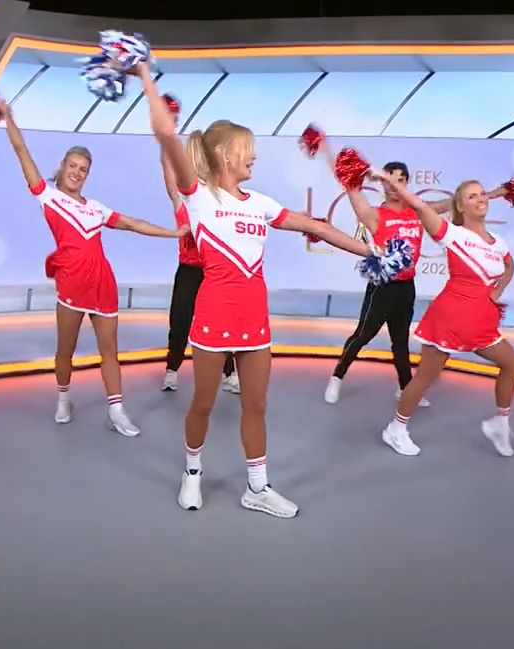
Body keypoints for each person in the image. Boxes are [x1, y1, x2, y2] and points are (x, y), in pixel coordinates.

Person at [137, 63, 377, 518]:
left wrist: (370, 252)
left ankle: (257, 488)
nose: (254, 158)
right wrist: (144, 71)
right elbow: (167, 135)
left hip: (254, 319)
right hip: (213, 314)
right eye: (247, 151)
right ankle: (192, 473)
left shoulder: (261, 203)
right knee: (203, 403)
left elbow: (315, 227)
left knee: (257, 404)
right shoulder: (198, 196)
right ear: (224, 154)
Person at [0, 97, 184, 434]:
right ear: (63, 167)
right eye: (73, 165)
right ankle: (63, 398)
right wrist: (8, 117)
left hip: (102, 284)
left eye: (83, 169)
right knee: (65, 349)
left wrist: (173, 233)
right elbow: (22, 151)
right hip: (71, 283)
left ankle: (117, 411)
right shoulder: (47, 196)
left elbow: (132, 223)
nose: (77, 172)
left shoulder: (96, 207)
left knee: (109, 350)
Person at [316, 142, 512, 407]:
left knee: (400, 340)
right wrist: (331, 154)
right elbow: (352, 190)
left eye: (401, 180)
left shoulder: (418, 212)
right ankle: (337, 377)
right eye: (390, 179)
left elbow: (455, 202)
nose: (394, 185)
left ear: (406, 184)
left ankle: (405, 388)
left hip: (406, 287)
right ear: (383, 183)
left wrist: (496, 193)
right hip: (382, 286)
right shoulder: (375, 215)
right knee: (363, 335)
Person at [371, 171, 514, 458]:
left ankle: (500, 424)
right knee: (426, 376)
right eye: (471, 196)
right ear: (460, 206)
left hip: (481, 321)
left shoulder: (498, 242)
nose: (480, 199)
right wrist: (385, 178)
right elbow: (419, 206)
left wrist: (497, 291)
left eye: (482, 194)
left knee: (512, 362)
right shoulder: (452, 234)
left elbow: (509, 266)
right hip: (450, 318)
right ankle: (396, 429)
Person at [159, 146, 240, 395]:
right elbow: (168, 176)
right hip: (188, 271)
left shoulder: (215, 205)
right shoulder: (181, 203)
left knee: (221, 322)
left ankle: (229, 374)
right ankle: (171, 370)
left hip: (212, 272)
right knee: (180, 322)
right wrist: (165, 145)